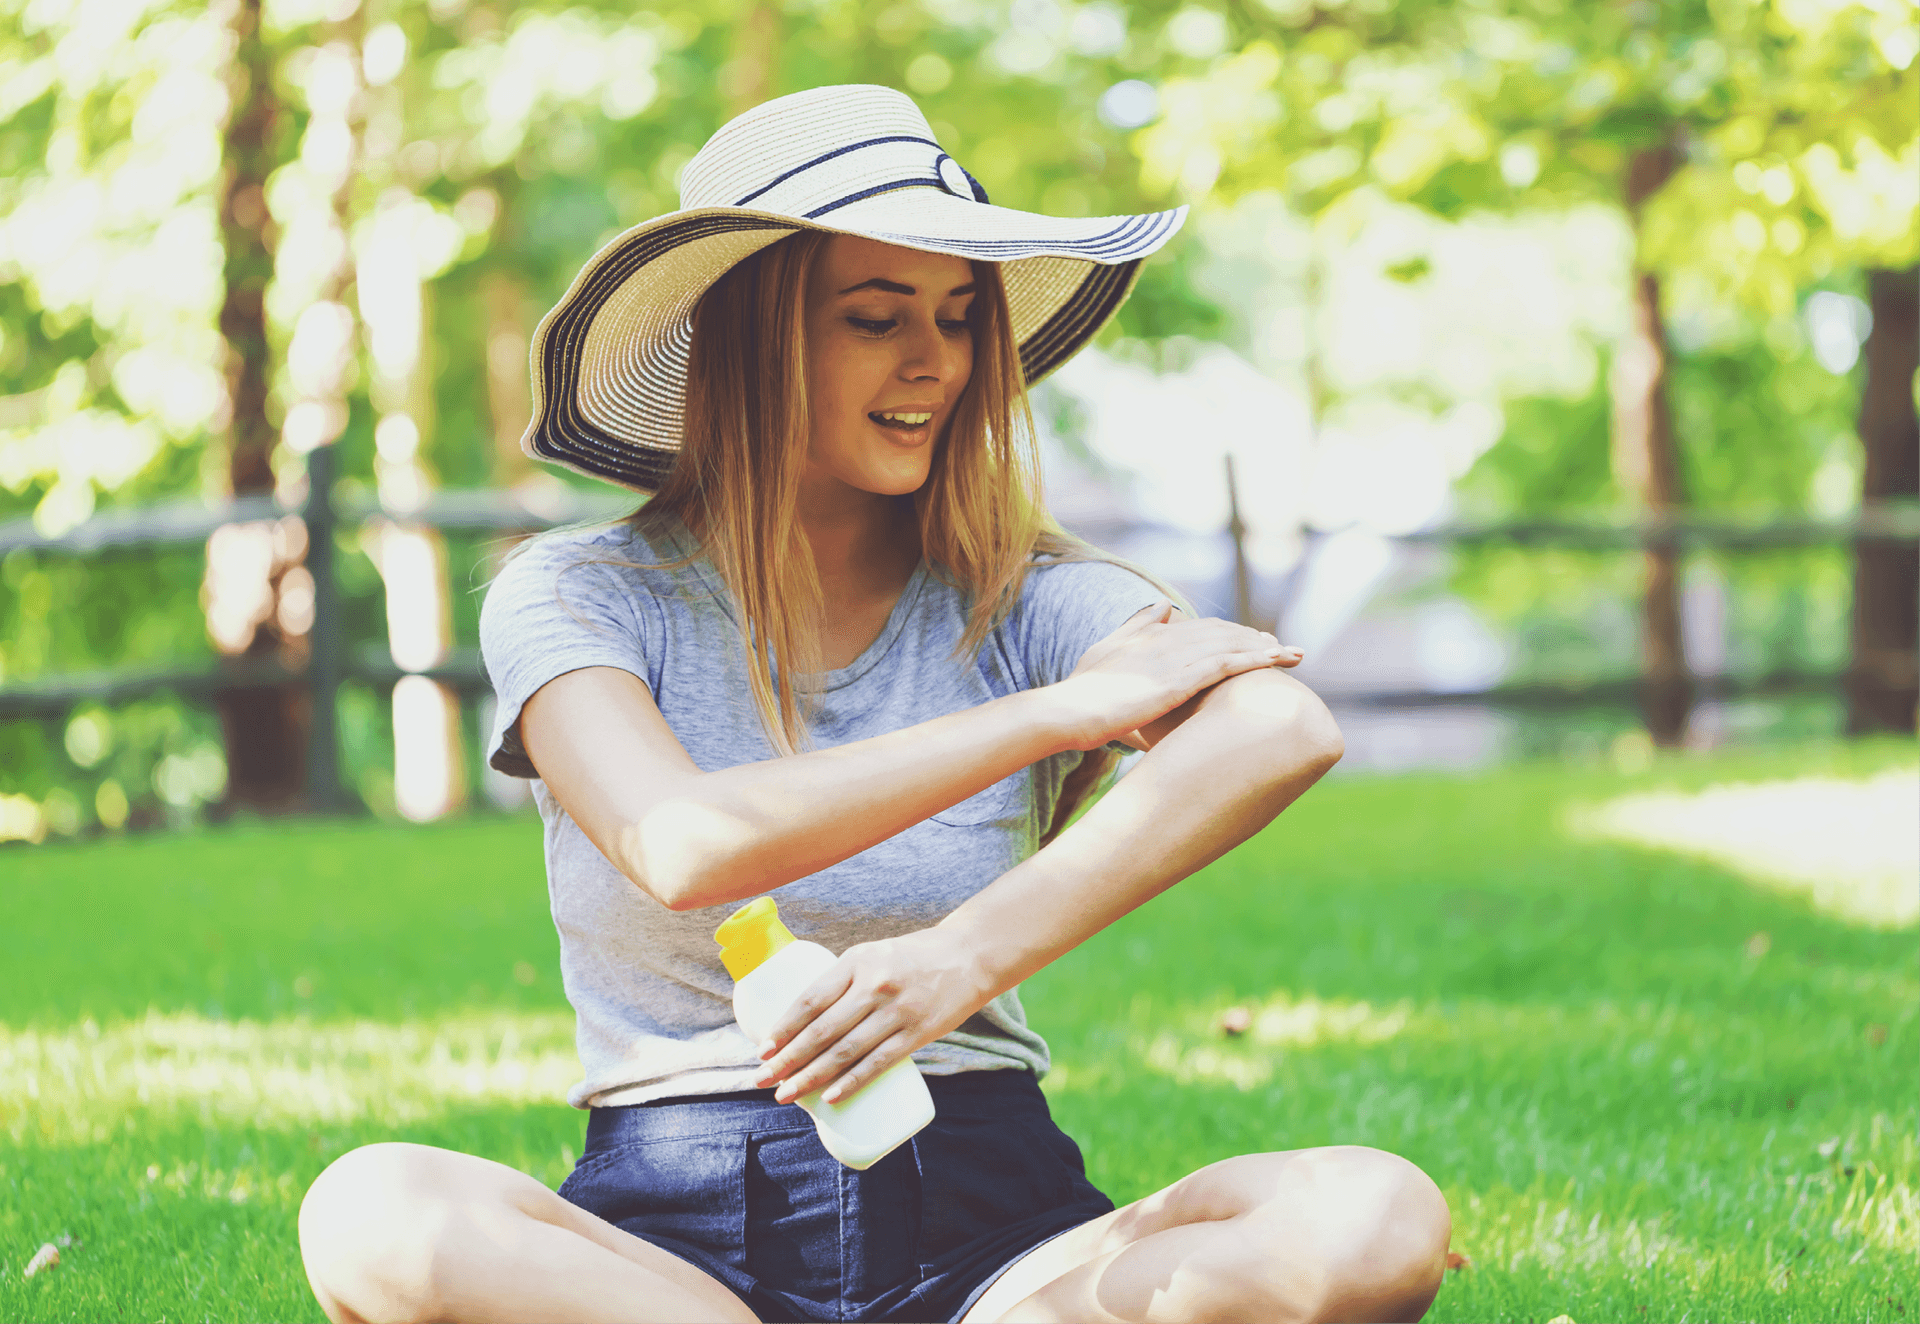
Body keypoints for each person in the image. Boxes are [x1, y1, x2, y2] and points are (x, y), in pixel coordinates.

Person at [297, 84, 1450, 1324]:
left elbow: (1281, 726)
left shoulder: (1034, 598)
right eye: (874, 316)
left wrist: (955, 962)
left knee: (1373, 1215)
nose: (934, 361)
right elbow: (681, 843)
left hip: (1001, 1238)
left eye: (958, 317)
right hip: (675, 1260)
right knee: (372, 1210)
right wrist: (1052, 717)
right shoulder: (578, 592)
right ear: (749, 335)